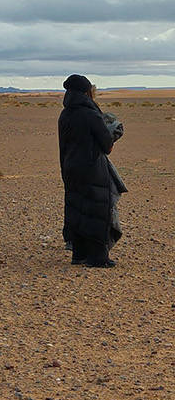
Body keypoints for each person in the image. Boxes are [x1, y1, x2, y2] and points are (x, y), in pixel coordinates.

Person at [58, 74, 124, 268]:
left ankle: (78, 255)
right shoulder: (90, 114)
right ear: (87, 92)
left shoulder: (65, 115)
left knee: (76, 209)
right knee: (98, 210)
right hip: (92, 169)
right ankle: (97, 257)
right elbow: (106, 145)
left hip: (69, 168)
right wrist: (115, 132)